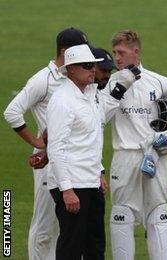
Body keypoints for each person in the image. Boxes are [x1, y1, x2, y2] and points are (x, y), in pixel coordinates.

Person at [101, 29, 167, 260]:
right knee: (122, 215)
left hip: (157, 154)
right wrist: (118, 90)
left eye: (122, 52)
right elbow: (98, 119)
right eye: (115, 52)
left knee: (158, 213)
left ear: (136, 51)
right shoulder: (111, 83)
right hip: (124, 157)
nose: (117, 58)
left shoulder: (157, 81)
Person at [3, 27, 89, 260]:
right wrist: (38, 141)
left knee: (71, 227)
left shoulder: (76, 77)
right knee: (44, 227)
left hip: (77, 161)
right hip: (49, 163)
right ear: (65, 51)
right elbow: (12, 112)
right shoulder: (44, 79)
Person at [46, 44, 108, 259]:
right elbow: (56, 148)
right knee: (72, 244)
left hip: (90, 181)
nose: (93, 70)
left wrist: (99, 171)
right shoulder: (62, 101)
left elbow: (91, 138)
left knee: (95, 244)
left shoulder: (90, 93)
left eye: (93, 65)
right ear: (71, 69)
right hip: (72, 184)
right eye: (87, 65)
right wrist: (67, 190)